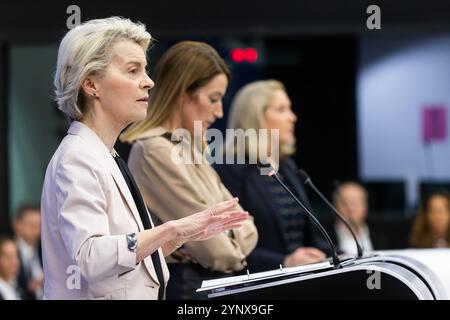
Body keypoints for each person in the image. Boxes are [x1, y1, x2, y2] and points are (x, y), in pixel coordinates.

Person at [41, 17, 249, 300]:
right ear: (91, 84)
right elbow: (91, 258)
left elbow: (125, 264)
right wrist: (173, 228)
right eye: (132, 70)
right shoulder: (77, 158)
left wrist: (178, 237)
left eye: (145, 70)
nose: (148, 82)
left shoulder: (105, 155)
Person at [121, 41, 258, 299]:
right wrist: (232, 245)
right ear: (183, 93)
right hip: (186, 289)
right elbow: (216, 251)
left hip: (206, 286)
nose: (218, 112)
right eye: (213, 99)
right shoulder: (154, 151)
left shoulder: (188, 147)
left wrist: (229, 241)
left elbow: (246, 225)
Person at [214, 80, 327, 273]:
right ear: (255, 117)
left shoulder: (286, 167)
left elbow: (310, 239)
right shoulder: (230, 169)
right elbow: (229, 244)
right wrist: (285, 261)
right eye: (281, 110)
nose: (292, 117)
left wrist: (346, 255)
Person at [332, 181, 376, 255]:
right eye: (345, 203)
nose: (351, 208)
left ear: (365, 205)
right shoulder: (324, 237)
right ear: (335, 206)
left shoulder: (382, 235)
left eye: (355, 202)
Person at [12, 205, 43, 300]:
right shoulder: (10, 251)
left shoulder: (44, 252)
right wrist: (29, 286)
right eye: (31, 224)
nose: (36, 230)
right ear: (17, 224)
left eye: (39, 225)